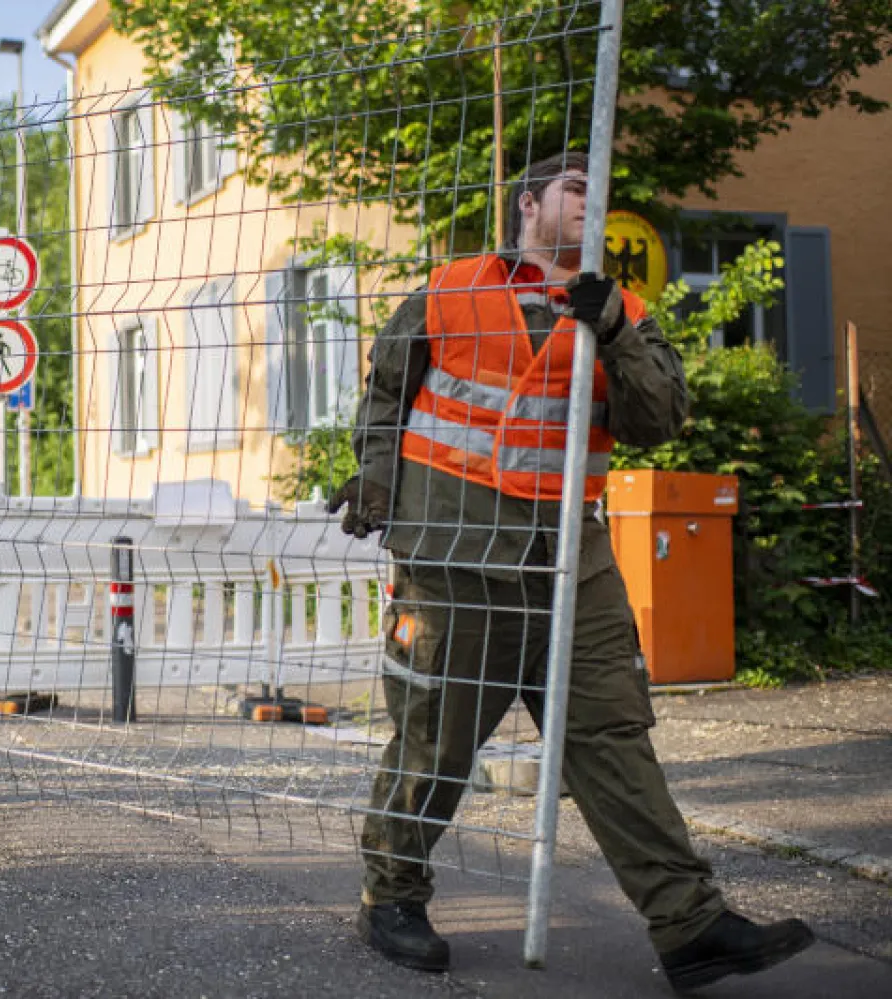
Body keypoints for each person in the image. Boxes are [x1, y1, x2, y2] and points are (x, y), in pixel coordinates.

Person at [327, 152, 814, 991]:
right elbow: (385, 394)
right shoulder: (449, 289)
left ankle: (690, 923)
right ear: (529, 205)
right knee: (437, 737)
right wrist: (376, 474)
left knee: (612, 737)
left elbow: (659, 420)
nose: (593, 206)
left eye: (601, 196)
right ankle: (391, 893)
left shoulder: (620, 308)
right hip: (456, 551)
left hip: (569, 557)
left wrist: (617, 335)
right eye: (577, 190)